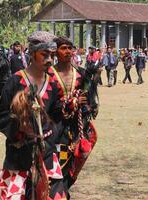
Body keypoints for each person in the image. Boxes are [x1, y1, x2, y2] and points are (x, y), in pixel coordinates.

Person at [0, 31, 68, 199]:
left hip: (46, 154)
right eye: (45, 54)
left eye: (52, 55)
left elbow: (55, 117)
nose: (50, 60)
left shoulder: (53, 84)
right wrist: (21, 124)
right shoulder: (15, 81)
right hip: (19, 156)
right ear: (33, 53)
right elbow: (1, 116)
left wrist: (67, 108)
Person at [48, 36, 97, 198]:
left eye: (70, 48)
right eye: (63, 48)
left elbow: (91, 103)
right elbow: (46, 105)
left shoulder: (81, 75)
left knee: (70, 171)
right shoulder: (49, 75)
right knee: (56, 172)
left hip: (76, 131)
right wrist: (69, 103)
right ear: (55, 52)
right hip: (55, 131)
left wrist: (86, 103)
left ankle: (64, 193)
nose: (68, 51)